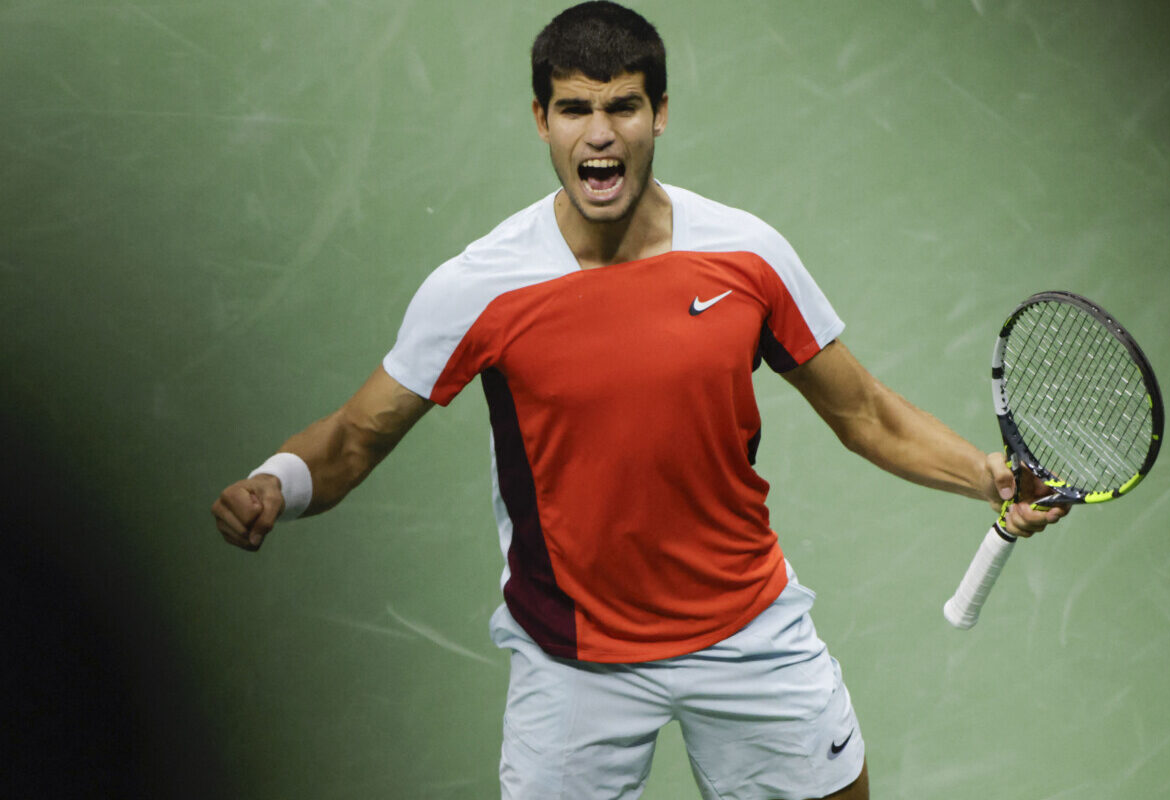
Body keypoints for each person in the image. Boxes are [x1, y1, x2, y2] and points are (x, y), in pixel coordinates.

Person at [211, 3, 1065, 798]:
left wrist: (988, 475)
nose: (599, 134)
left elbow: (865, 412)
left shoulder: (747, 255)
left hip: (745, 629)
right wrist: (273, 484)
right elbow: (357, 437)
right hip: (573, 658)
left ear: (660, 113)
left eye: (622, 106)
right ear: (541, 120)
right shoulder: (480, 288)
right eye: (575, 108)